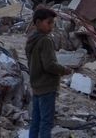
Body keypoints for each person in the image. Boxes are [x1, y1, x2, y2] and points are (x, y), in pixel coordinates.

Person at [26, 8, 71, 138]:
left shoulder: (31, 39)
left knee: (35, 121)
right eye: (49, 23)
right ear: (38, 22)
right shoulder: (45, 40)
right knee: (46, 122)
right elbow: (49, 65)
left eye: (53, 23)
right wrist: (64, 70)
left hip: (36, 85)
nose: (51, 26)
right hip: (47, 86)